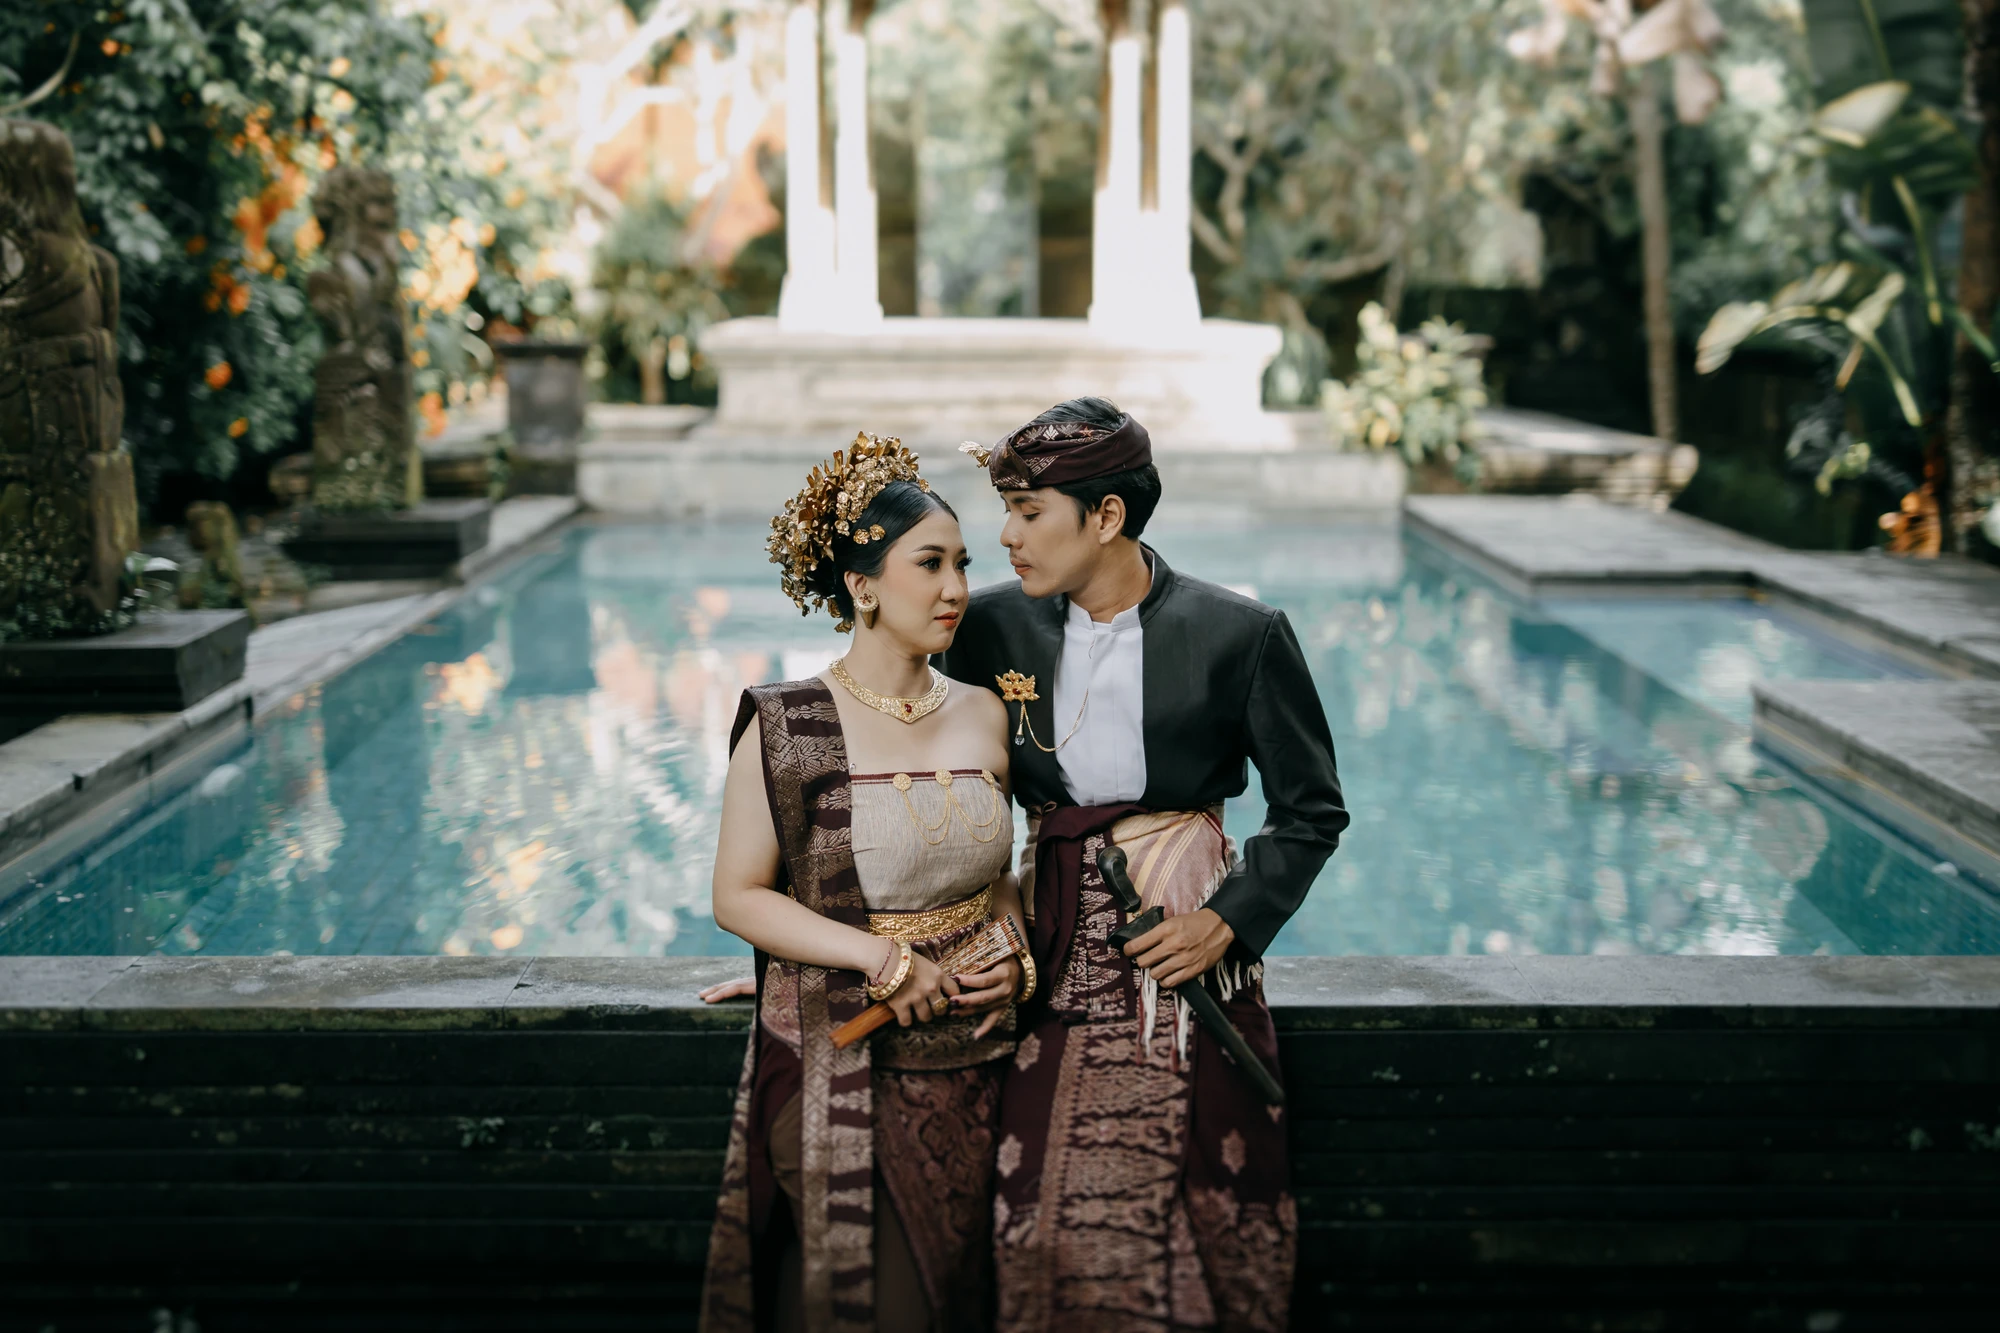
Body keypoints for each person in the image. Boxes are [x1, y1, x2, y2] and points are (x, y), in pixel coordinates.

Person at [938, 397, 1349, 1332]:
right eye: (1006, 511)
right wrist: (833, 938)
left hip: (1186, 949)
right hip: (1044, 941)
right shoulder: (988, 630)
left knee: (1213, 1199)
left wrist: (1228, 918)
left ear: (1108, 516)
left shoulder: (1240, 633)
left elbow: (1311, 810)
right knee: (1032, 1214)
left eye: (1028, 512)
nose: (1004, 537)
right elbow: (917, 780)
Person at [700, 432, 1033, 1333]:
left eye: (962, 564)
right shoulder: (787, 721)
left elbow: (1000, 875)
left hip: (982, 1058)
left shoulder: (986, 713)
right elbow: (739, 895)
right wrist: (877, 959)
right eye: (930, 564)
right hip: (848, 1050)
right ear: (863, 585)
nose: (956, 588)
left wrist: (1016, 955)